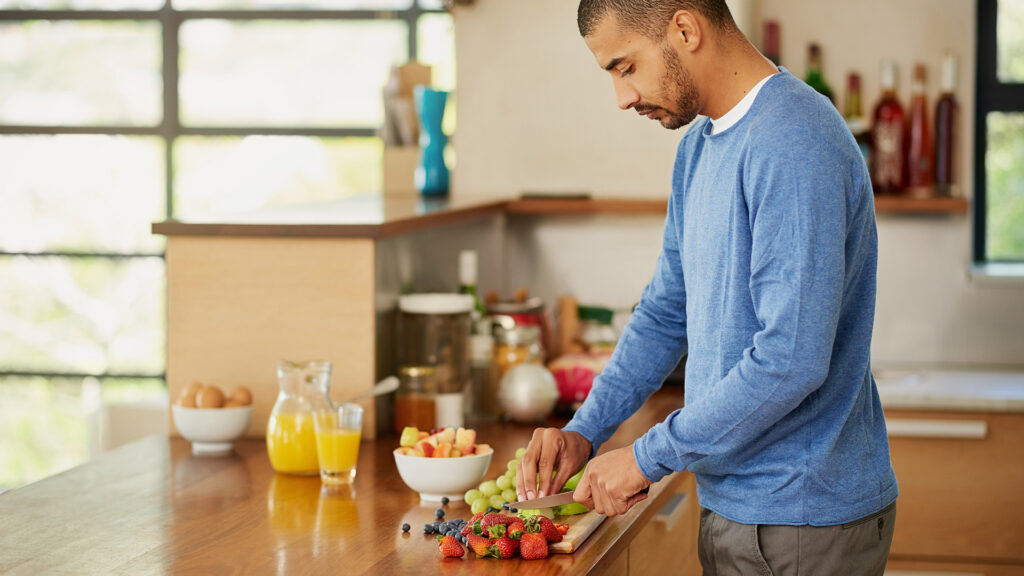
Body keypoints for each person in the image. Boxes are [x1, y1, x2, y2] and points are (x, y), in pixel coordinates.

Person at [515, 1, 899, 574]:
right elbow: (666, 312)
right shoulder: (699, 148)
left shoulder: (793, 140)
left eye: (625, 68)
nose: (622, 97)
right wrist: (584, 432)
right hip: (738, 504)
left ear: (686, 29)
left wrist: (646, 457)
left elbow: (789, 360)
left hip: (800, 515)